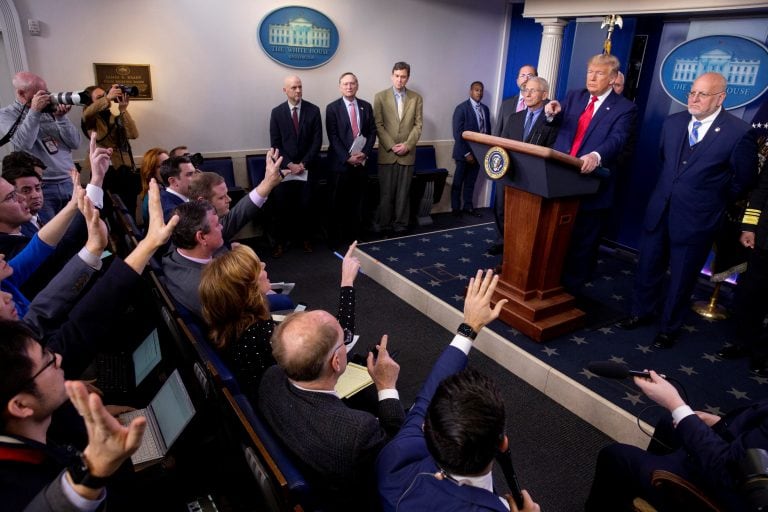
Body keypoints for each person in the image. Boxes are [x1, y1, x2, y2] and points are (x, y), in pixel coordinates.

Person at [0, 149, 178, 511]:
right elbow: (77, 326)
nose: (58, 355)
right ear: (19, 405)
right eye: (48, 361)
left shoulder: (24, 389)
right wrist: (94, 471)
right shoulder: (15, 491)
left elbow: (48, 308)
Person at [377, 269, 540, 512]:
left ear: (425, 429)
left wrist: (469, 326)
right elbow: (426, 401)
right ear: (503, 444)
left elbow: (428, 394)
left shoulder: (396, 458)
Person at [617, 72, 757, 349]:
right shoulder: (673, 123)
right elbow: (665, 162)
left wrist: (711, 200)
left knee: (682, 278)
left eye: (702, 94)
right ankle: (640, 312)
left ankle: (669, 328)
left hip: (698, 218)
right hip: (660, 210)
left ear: (721, 98)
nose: (693, 98)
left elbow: (743, 180)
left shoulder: (738, 133)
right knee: (648, 267)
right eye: (692, 92)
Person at [257, 307, 404, 510]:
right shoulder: (356, 430)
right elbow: (396, 454)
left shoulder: (270, 378)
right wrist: (387, 386)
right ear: (336, 361)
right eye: (343, 342)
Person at [585, 370, 766, 511]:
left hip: (726, 492)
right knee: (668, 424)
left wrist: (674, 403)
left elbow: (725, 469)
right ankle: (642, 486)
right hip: (741, 458)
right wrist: (720, 423)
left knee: (615, 455)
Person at [199, 241, 360, 399]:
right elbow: (342, 336)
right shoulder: (264, 335)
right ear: (249, 289)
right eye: (257, 267)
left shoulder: (228, 324)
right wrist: (347, 281)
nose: (263, 264)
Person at [544, 54, 638, 291]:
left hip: (590, 185)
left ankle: (572, 291)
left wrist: (596, 156)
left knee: (582, 242)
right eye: (589, 72)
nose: (592, 77)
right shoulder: (575, 96)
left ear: (613, 78)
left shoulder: (625, 108)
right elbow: (559, 125)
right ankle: (548, 282)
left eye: (599, 73)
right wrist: (552, 113)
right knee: (555, 238)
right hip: (560, 179)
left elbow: (618, 139)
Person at [162, 148, 284, 320]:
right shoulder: (206, 288)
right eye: (218, 225)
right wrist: (256, 286)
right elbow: (243, 318)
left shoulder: (181, 248)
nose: (222, 228)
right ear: (201, 237)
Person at [489, 76, 559, 256]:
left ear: (544, 95)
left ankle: (518, 246)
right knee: (501, 207)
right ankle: (502, 241)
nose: (527, 94)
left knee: (524, 215)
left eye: (532, 90)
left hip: (532, 176)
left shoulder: (551, 120)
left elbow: (551, 147)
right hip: (509, 171)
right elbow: (502, 142)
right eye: (525, 90)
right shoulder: (514, 117)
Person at [0, 72, 81, 219]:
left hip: (69, 181)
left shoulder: (50, 110)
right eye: (38, 93)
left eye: (46, 91)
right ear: (21, 93)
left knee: (76, 233)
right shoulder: (6, 114)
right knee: (49, 235)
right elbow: (23, 143)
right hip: (40, 187)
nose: (45, 96)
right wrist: (35, 111)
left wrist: (61, 118)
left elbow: (75, 143)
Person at [717, 161, 768, 376]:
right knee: (750, 293)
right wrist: (748, 226)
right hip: (764, 239)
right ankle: (743, 342)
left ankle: (763, 354)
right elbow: (761, 190)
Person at [269, 75, 322, 257]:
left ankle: (306, 239)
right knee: (282, 207)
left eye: (300, 86)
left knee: (306, 206)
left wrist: (303, 163)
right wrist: (290, 164)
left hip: (307, 168)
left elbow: (317, 142)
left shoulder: (313, 110)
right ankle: (280, 243)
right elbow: (275, 143)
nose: (298, 90)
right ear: (285, 90)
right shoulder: (277, 113)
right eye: (293, 87)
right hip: (285, 169)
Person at [325, 72, 377, 247]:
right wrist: (347, 157)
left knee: (359, 202)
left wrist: (365, 153)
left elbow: (372, 132)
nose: (349, 87)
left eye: (352, 83)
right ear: (340, 87)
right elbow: (333, 136)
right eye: (345, 84)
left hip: (361, 164)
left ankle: (356, 237)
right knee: (337, 203)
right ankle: (337, 239)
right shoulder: (332, 108)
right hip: (340, 165)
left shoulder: (366, 106)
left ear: (357, 85)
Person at [373, 61, 424, 235]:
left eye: (403, 77)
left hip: (407, 154)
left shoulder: (416, 98)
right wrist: (391, 145)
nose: (399, 80)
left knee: (404, 193)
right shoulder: (380, 97)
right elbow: (378, 125)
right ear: (391, 76)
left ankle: (401, 225)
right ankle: (384, 225)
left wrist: (407, 145)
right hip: (387, 153)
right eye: (397, 76)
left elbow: (418, 125)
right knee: (386, 194)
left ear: (408, 78)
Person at [81, 84, 140, 214]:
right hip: (103, 169)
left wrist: (123, 110)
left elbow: (133, 134)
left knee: (128, 209)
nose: (106, 97)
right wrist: (107, 98)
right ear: (90, 101)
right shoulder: (89, 118)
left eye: (105, 94)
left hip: (122, 168)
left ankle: (129, 234)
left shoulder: (113, 117)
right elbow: (88, 113)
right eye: (100, 97)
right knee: (105, 210)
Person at [451, 81, 491, 218]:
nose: (479, 93)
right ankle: (455, 209)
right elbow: (457, 133)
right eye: (476, 90)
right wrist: (467, 153)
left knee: (470, 183)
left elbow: (487, 132)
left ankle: (468, 206)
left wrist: (485, 151)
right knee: (458, 182)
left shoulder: (485, 109)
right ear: (470, 91)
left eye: (481, 90)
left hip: (479, 154)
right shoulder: (461, 108)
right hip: (463, 154)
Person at [2, 158, 47, 237]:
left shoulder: (43, 212)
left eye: (38, 188)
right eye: (26, 191)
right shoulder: (16, 228)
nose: (36, 195)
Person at [494, 65, 537, 137]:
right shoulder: (506, 104)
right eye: (522, 76)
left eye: (530, 76)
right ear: (517, 81)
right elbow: (497, 133)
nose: (526, 79)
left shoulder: (543, 105)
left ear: (537, 80)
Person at [136, 147, 169, 225]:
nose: (168, 168)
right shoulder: (158, 196)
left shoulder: (157, 191)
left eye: (169, 164)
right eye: (161, 166)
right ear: (151, 172)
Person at [159, 154, 196, 221]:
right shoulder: (172, 212)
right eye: (189, 174)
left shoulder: (168, 196)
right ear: (173, 181)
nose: (196, 178)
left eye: (195, 173)